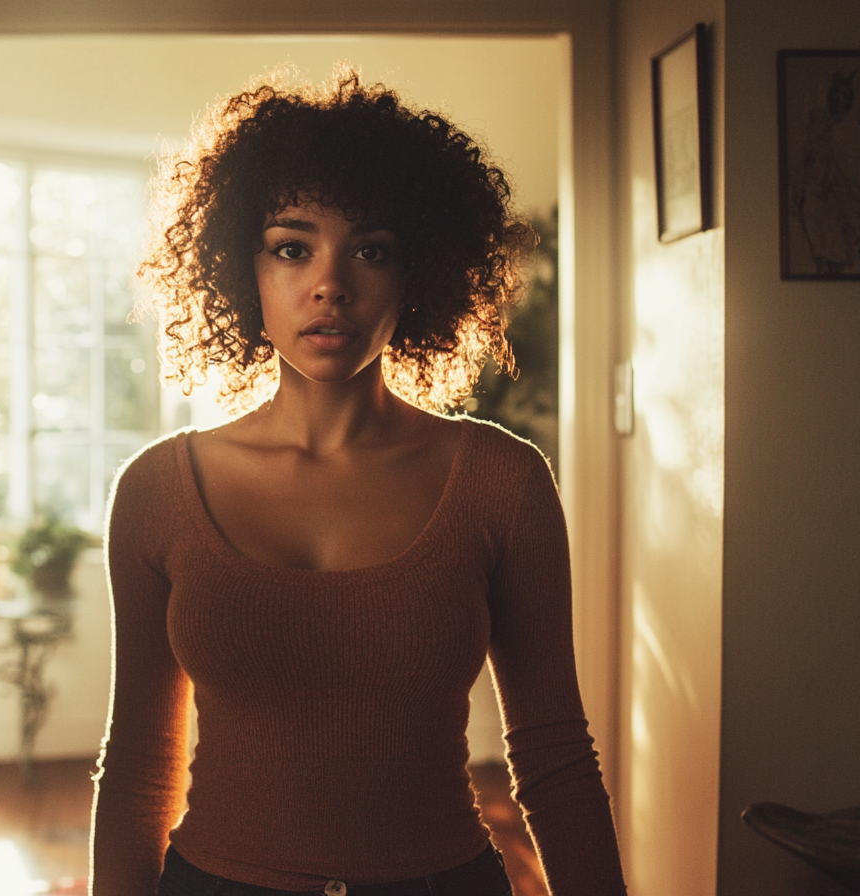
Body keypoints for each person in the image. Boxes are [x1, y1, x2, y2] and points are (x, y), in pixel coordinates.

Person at [90, 68, 626, 896]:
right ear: (243, 267)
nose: (330, 283)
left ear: (421, 277)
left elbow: (554, 757)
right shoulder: (158, 492)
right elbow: (138, 763)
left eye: (371, 250)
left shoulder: (501, 484)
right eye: (292, 247)